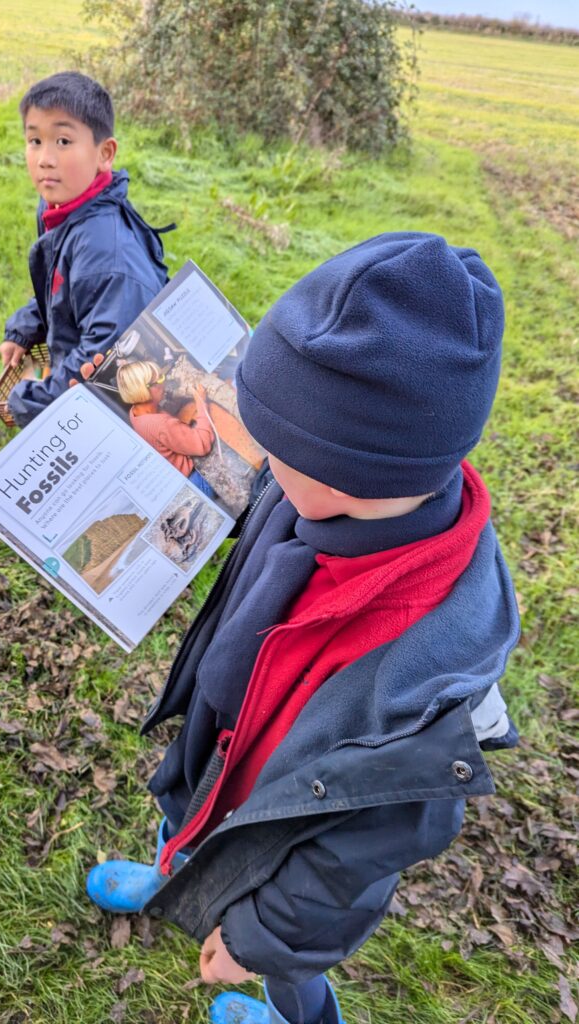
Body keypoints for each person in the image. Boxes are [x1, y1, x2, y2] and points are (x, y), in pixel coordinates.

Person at [85, 233, 521, 1024]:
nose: (256, 456)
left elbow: (358, 849)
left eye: (273, 445)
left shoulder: (428, 666)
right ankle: (176, 872)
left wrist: (260, 936)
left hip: (281, 849)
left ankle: (298, 1010)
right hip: (223, 755)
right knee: (187, 824)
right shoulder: (324, 494)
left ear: (344, 471)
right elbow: (260, 506)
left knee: (274, 956)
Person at [0, 71, 169, 428]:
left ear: (104, 153)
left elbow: (108, 358)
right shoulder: (60, 208)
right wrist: (25, 328)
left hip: (121, 403)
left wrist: (34, 400)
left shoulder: (106, 252)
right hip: (82, 372)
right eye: (34, 141)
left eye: (62, 141)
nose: (45, 158)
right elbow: (62, 289)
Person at [115, 359, 216, 497]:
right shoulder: (160, 424)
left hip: (176, 482)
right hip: (195, 483)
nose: (164, 382)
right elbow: (203, 444)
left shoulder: (135, 412)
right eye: (160, 379)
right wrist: (201, 404)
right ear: (145, 389)